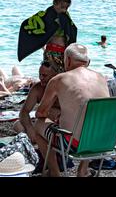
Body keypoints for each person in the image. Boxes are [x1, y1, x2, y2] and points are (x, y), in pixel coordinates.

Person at [34, 43, 110, 177]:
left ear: (67, 60)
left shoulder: (59, 79)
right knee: (90, 122)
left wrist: (59, 116)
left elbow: (40, 113)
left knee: (38, 124)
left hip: (74, 145)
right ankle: (82, 170)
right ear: (87, 61)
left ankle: (54, 172)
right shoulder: (101, 78)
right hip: (103, 141)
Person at [14, 62, 59, 137]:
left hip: (57, 124)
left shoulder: (62, 88)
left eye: (44, 75)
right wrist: (29, 128)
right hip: (43, 122)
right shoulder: (37, 88)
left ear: (54, 76)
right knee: (18, 124)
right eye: (39, 75)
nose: (41, 78)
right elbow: (24, 112)